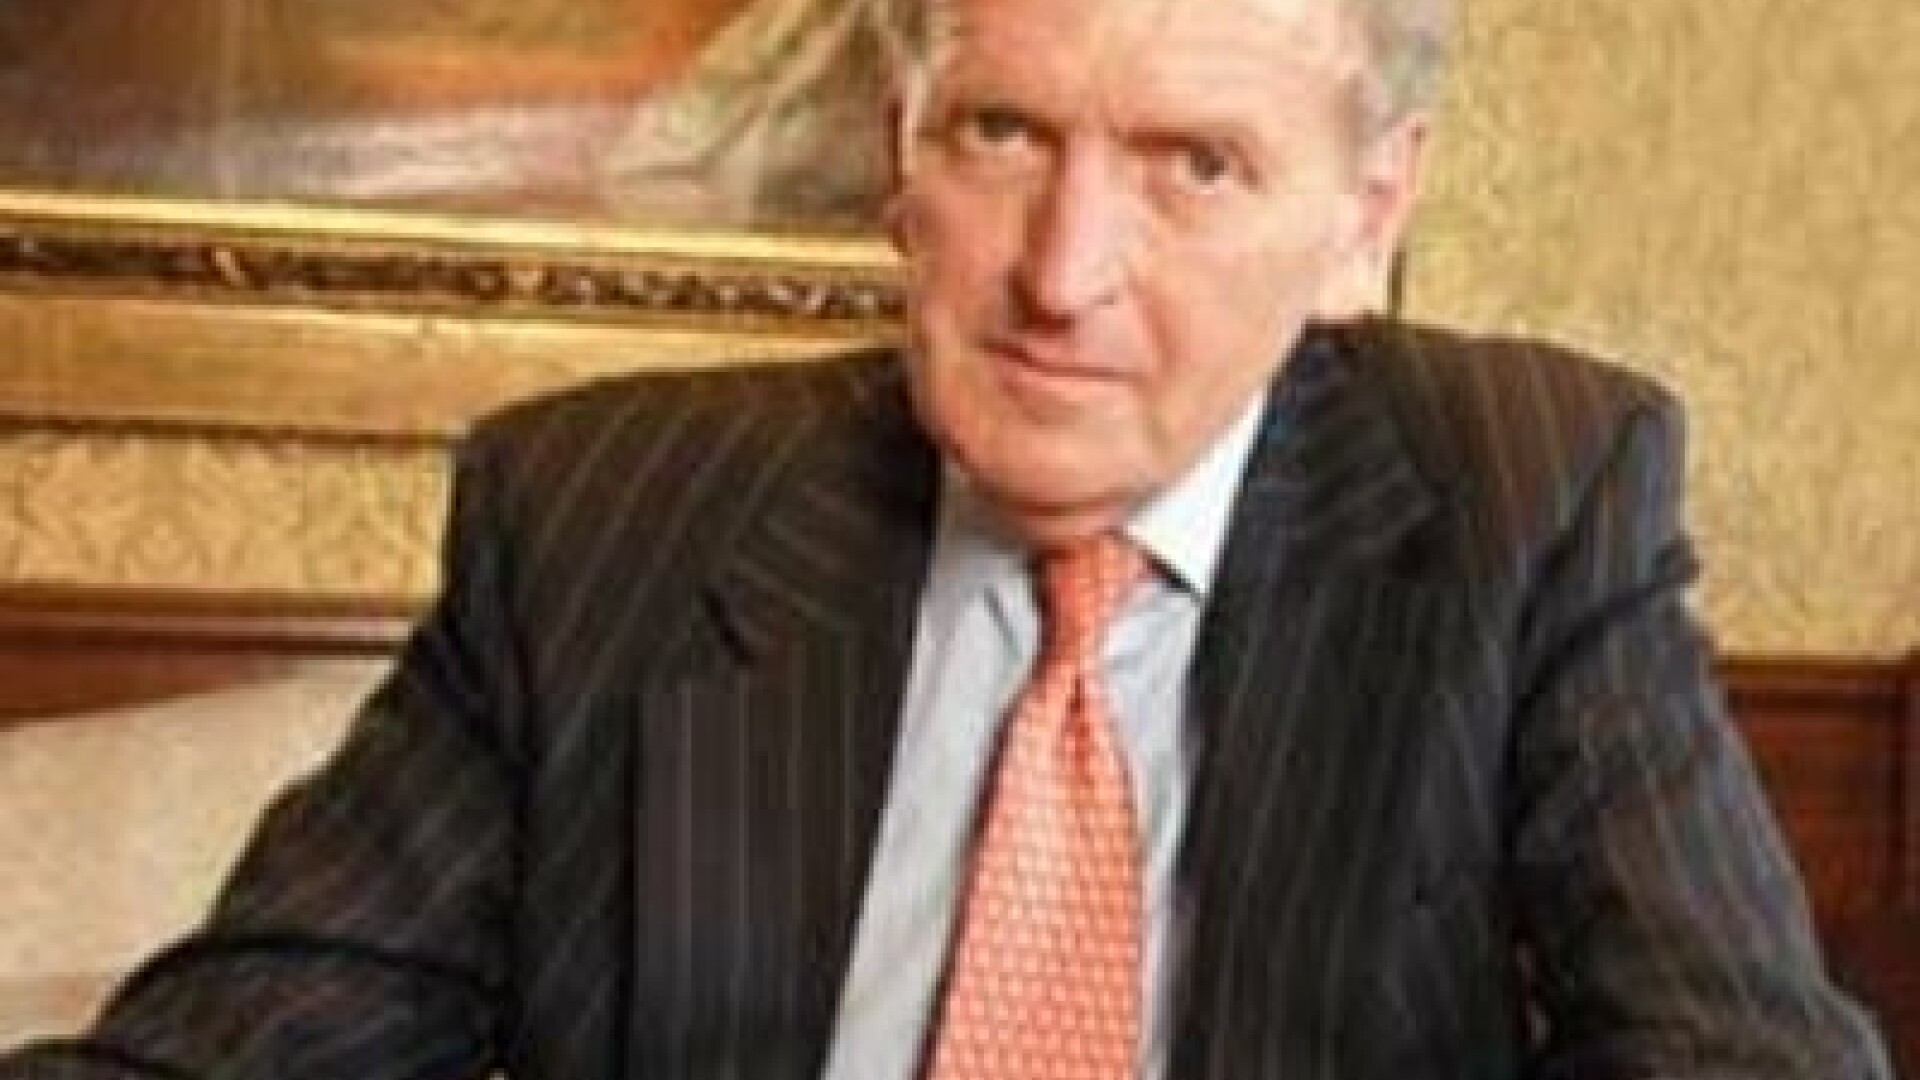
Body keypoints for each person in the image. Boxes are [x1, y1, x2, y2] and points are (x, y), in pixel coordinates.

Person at [0, 0, 1893, 1075]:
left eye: (1195, 163)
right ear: (897, 149)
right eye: (1003, 136)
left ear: (1364, 219)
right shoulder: (598, 522)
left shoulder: (1527, 497)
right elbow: (245, 1052)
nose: (1063, 275)